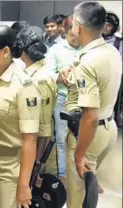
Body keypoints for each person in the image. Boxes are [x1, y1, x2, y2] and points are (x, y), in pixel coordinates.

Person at [58, 2, 122, 207]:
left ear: (77, 26)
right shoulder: (110, 51)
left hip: (87, 134)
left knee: (77, 198)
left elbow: (90, 116)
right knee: (88, 196)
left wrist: (79, 154)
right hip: (108, 126)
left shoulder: (89, 61)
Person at [0, 25, 41, 208]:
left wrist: (23, 186)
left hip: (8, 170)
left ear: (5, 51)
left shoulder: (24, 86)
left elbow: (30, 140)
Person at [45, 16, 81, 184]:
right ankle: (62, 175)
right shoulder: (55, 50)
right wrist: (59, 78)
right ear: (65, 31)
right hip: (62, 99)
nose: (76, 38)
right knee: (61, 139)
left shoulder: (86, 49)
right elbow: (48, 75)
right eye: (72, 35)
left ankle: (80, 172)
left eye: (78, 34)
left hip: (82, 100)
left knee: (81, 139)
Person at [17, 26, 57, 174]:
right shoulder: (27, 71)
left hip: (32, 150)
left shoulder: (41, 79)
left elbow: (43, 128)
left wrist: (35, 164)